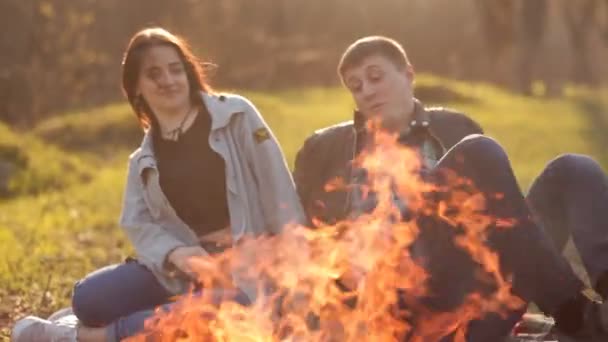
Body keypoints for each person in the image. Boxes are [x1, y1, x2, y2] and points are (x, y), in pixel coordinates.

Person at [293, 35, 608, 340]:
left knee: (574, 169)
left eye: (376, 77)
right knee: (479, 151)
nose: (367, 91)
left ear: (408, 74)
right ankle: (576, 314)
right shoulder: (326, 150)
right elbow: (305, 246)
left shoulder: (456, 129)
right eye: (356, 86)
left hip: (480, 296)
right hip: (402, 309)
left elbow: (506, 218)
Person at [12, 27, 305, 342]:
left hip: (244, 269)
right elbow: (137, 222)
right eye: (154, 74)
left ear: (189, 72)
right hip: (183, 269)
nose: (168, 80)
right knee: (89, 299)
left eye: (175, 69)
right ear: (136, 88)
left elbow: (279, 190)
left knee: (230, 309)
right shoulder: (143, 160)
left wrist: (299, 272)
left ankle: (78, 336)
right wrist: (178, 254)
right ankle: (123, 320)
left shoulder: (237, 116)